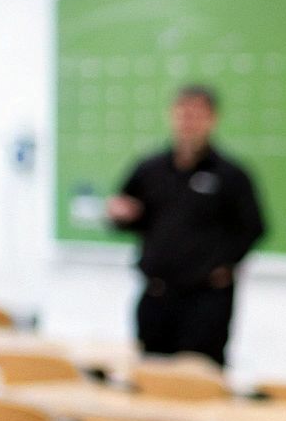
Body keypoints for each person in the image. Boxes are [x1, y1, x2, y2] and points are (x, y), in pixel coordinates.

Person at [107, 84, 266, 367]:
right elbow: (126, 217)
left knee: (197, 381)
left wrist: (222, 266)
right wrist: (120, 215)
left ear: (212, 119)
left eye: (196, 114)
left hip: (204, 301)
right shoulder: (149, 169)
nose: (188, 121)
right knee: (151, 376)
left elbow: (254, 228)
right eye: (183, 113)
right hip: (156, 296)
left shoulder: (231, 175)